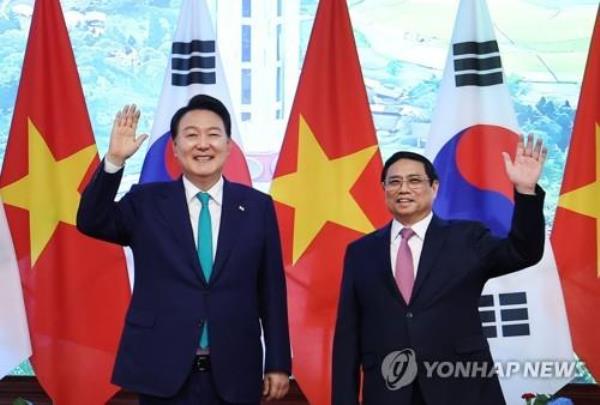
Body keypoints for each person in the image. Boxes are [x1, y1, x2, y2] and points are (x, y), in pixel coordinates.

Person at [77, 95, 291, 405]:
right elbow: (91, 221)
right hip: (161, 370)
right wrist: (114, 161)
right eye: (191, 135)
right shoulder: (146, 202)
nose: (202, 144)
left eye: (213, 134)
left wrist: (278, 363)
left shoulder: (257, 207)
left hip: (235, 372)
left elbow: (271, 290)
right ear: (175, 149)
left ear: (229, 146)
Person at [332, 136, 548, 405]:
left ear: (434, 187)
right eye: (394, 181)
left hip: (460, 387)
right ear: (384, 188)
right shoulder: (360, 252)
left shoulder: (467, 238)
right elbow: (348, 336)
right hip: (388, 389)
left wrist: (526, 192)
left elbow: (523, 251)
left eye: (414, 181)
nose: (403, 189)